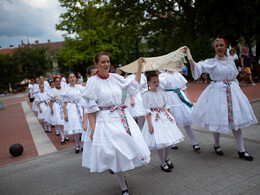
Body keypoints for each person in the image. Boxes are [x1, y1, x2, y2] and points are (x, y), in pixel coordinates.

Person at [81, 52, 150, 195]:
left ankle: (123, 175)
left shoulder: (115, 78)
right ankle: (123, 186)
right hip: (105, 120)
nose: (106, 65)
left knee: (128, 146)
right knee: (114, 153)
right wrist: (92, 129)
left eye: (108, 61)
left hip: (122, 117)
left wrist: (138, 68)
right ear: (96, 64)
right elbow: (90, 108)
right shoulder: (92, 82)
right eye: (103, 62)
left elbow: (133, 85)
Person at [185, 38, 257, 161]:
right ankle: (216, 145)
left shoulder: (230, 61)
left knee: (236, 121)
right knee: (217, 119)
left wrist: (236, 89)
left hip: (232, 91)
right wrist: (189, 56)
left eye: (221, 45)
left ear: (225, 47)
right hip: (217, 92)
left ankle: (242, 150)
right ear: (215, 48)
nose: (219, 47)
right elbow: (197, 68)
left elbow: (234, 76)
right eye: (217, 46)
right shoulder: (212, 62)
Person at [142, 72, 184, 172]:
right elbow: (146, 111)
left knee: (169, 140)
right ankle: (162, 162)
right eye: (154, 82)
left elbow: (167, 107)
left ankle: (166, 158)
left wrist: (173, 119)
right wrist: (149, 125)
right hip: (155, 118)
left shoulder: (162, 92)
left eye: (158, 81)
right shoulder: (146, 95)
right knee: (160, 142)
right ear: (148, 83)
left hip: (165, 117)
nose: (157, 84)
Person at [159, 70, 200, 152]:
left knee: (187, 121)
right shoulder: (163, 76)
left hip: (180, 98)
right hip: (169, 98)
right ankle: (173, 141)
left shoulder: (178, 74)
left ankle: (194, 142)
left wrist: (189, 100)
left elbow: (184, 89)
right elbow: (160, 89)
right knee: (172, 121)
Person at [61, 73, 86, 153]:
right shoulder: (66, 89)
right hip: (71, 108)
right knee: (76, 128)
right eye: (70, 77)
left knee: (83, 126)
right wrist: (65, 114)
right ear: (68, 79)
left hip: (80, 107)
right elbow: (64, 103)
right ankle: (77, 144)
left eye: (73, 77)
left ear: (75, 78)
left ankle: (83, 144)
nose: (72, 79)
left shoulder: (80, 87)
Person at [49, 77, 67, 143]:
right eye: (56, 81)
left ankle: (66, 135)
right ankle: (62, 137)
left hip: (64, 105)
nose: (58, 82)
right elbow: (51, 100)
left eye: (59, 81)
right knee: (59, 122)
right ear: (54, 82)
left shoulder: (64, 89)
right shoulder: (52, 91)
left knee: (65, 122)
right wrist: (51, 109)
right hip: (56, 106)